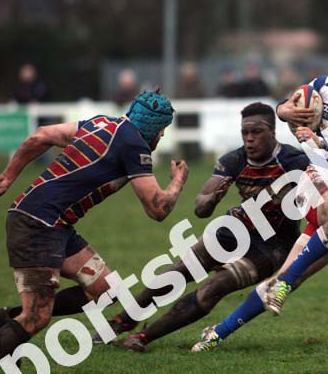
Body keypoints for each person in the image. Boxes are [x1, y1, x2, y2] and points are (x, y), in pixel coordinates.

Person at [0, 90, 188, 374]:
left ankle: (10, 318)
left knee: (105, 289)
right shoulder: (134, 145)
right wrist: (176, 183)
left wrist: (9, 176)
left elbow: (41, 136)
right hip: (38, 226)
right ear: (151, 127)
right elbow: (157, 209)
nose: (160, 137)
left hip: (53, 224)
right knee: (37, 317)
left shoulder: (99, 123)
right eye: (161, 130)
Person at [189, 38, 328, 351]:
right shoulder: (324, 86)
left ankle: (217, 332)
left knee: (290, 276)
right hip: (318, 178)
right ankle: (282, 284)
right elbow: (288, 105)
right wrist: (284, 111)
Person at [104, 103, 311, 352]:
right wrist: (211, 198)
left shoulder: (296, 161)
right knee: (178, 271)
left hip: (273, 246)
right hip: (234, 229)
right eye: (245, 132)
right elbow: (201, 209)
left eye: (256, 132)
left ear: (273, 132)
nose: (249, 139)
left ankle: (144, 337)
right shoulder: (234, 159)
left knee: (216, 287)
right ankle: (121, 321)